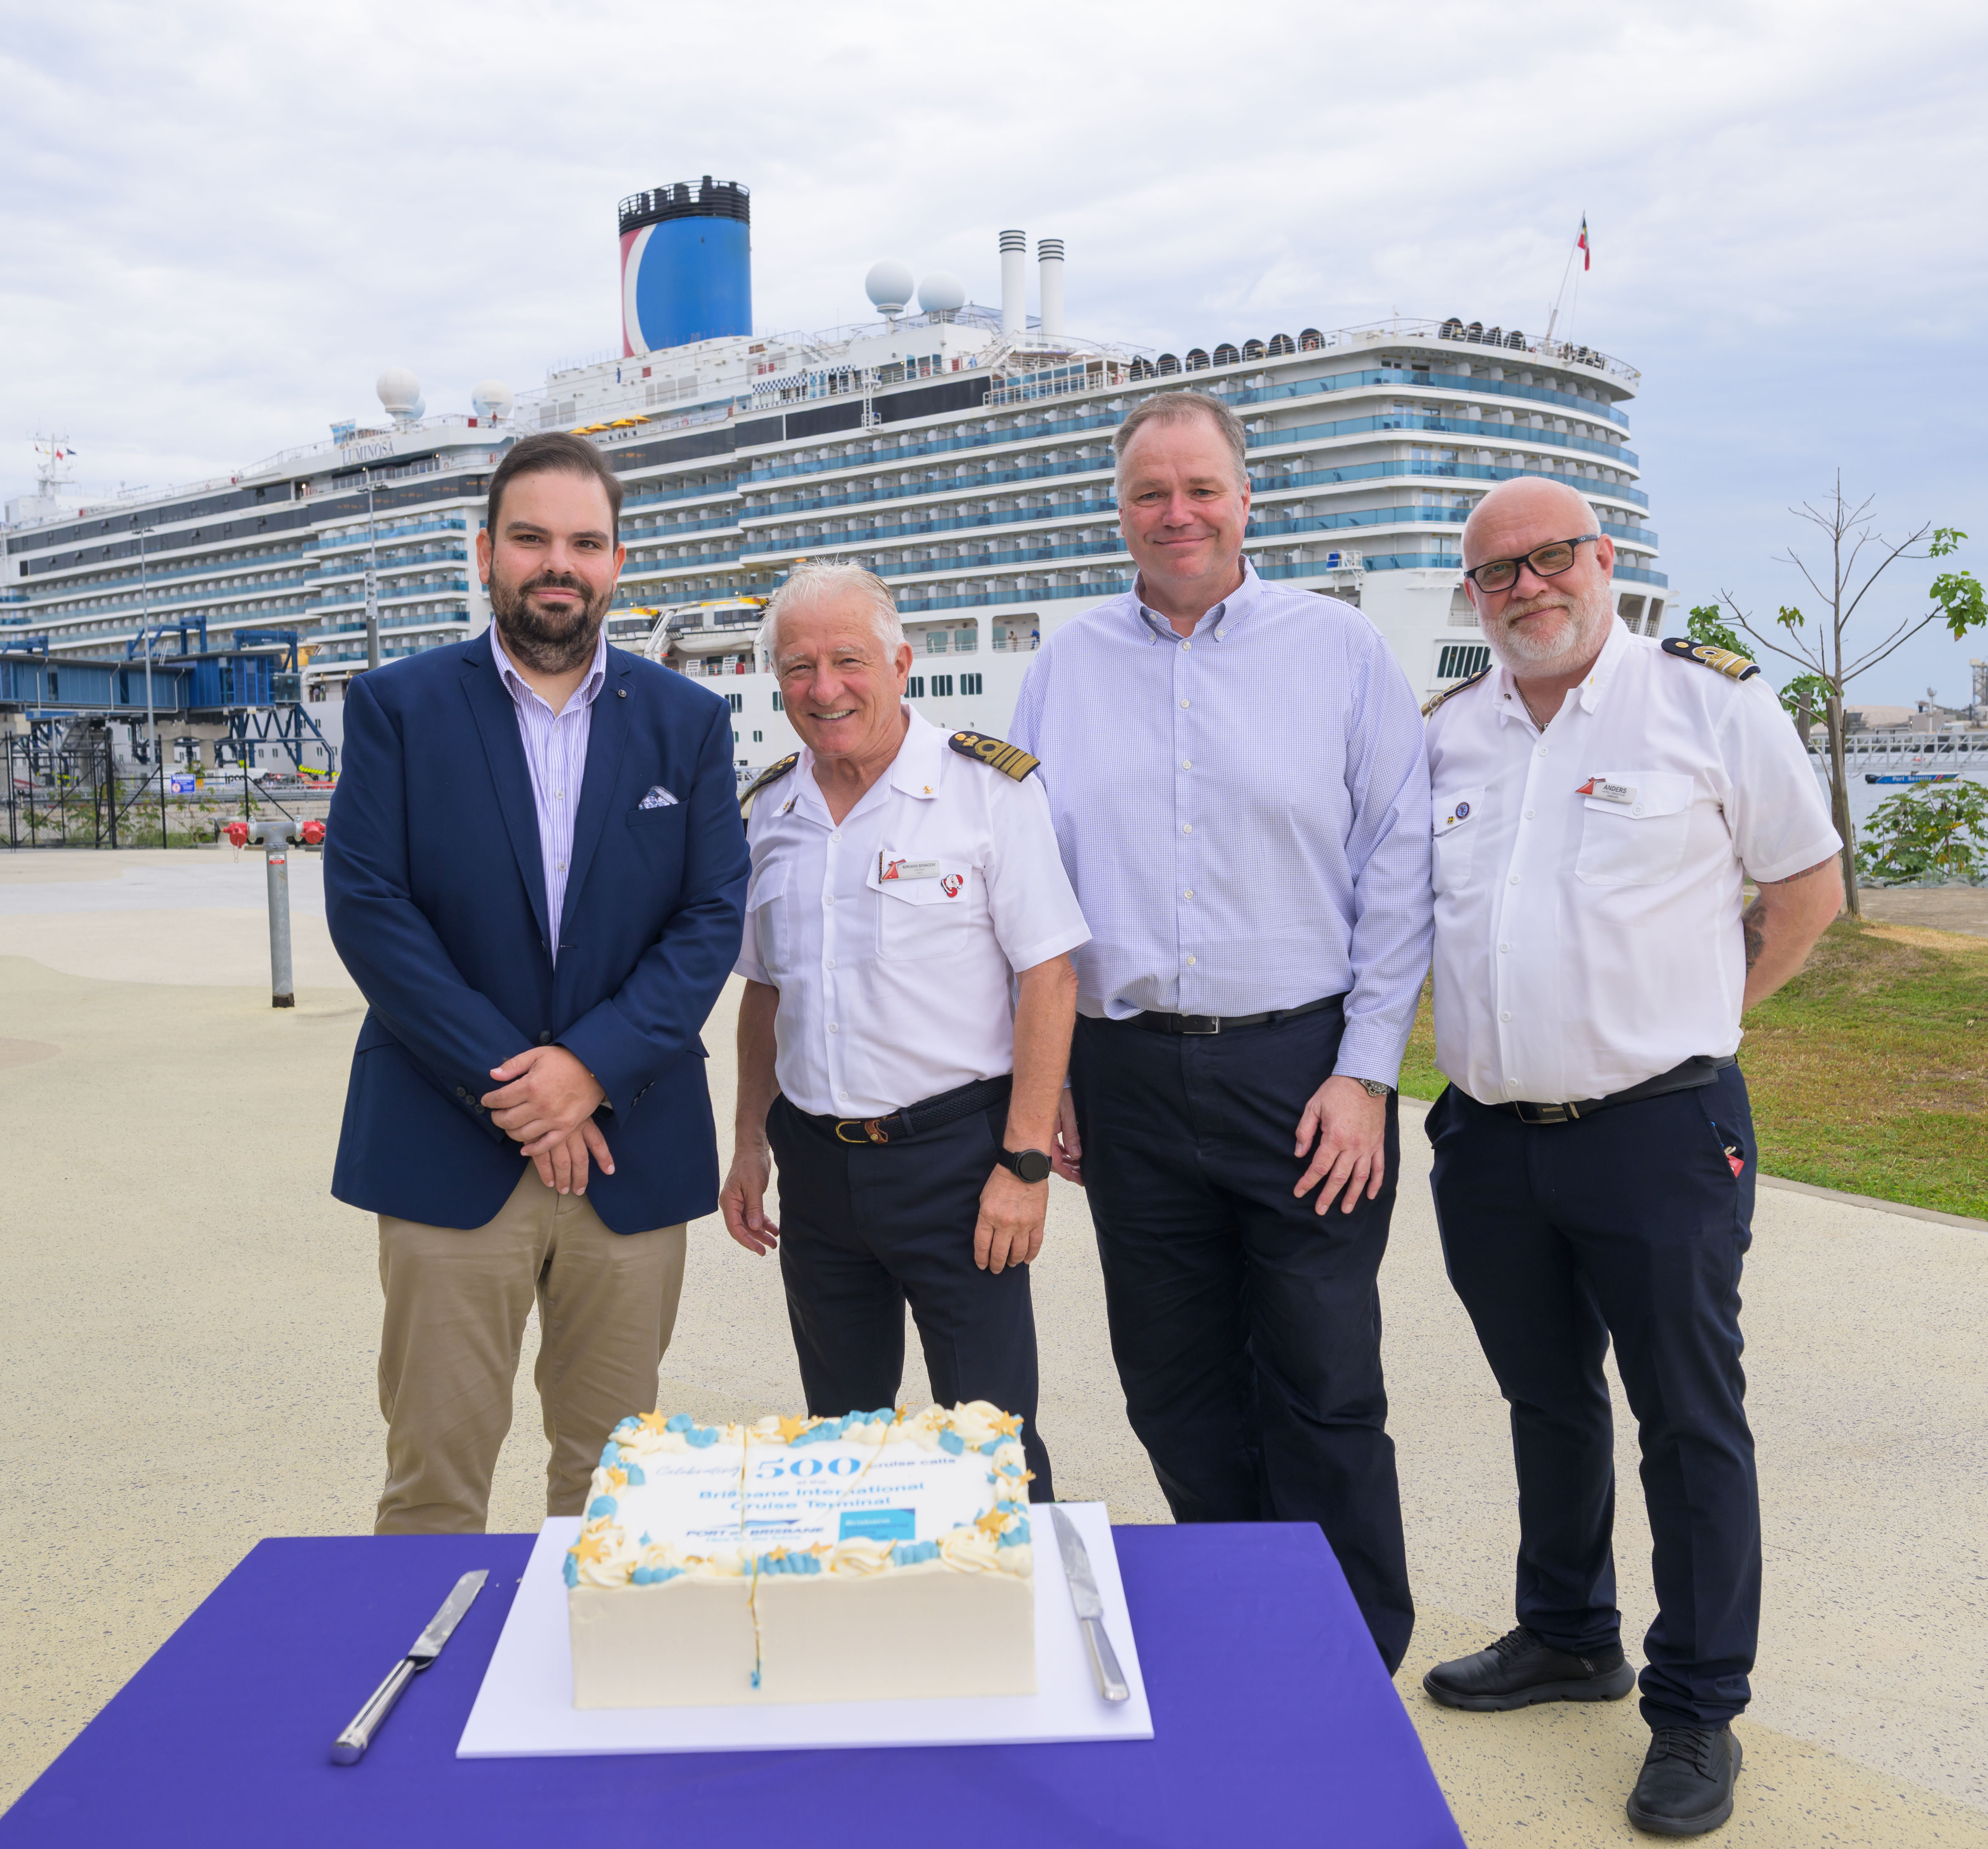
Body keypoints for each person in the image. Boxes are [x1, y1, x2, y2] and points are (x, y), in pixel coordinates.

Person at [1414, 475, 1842, 1837]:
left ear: (1601, 560)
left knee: (1686, 1420)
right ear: (1471, 595)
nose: (1527, 586)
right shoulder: (1447, 736)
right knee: (1542, 1401)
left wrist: (1703, 1016)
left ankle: (1696, 1707)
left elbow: (1804, 888)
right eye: (1496, 572)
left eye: (1549, 559)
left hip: (1658, 1129)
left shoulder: (1706, 704)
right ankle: (1564, 1632)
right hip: (1486, 1137)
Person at [1006, 389, 1430, 1669]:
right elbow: (1029, 879)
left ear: (1248, 498)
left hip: (1300, 1068)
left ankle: (1352, 1649)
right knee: (1175, 1380)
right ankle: (1250, 1626)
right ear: (1119, 510)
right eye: (1149, 492)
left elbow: (1398, 865)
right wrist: (1060, 1070)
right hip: (1126, 1071)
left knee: (1322, 1374)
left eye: (1199, 488)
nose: (1175, 513)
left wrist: (1366, 1072)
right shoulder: (1063, 666)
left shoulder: (1341, 652)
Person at [325, 431, 748, 1534]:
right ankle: (426, 1694)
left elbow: (709, 920)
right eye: (530, 539)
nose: (557, 563)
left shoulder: (686, 722)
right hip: (446, 1141)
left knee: (611, 1485)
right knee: (433, 1480)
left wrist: (590, 1070)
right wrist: (526, 1086)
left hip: (630, 1142)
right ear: (484, 554)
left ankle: (589, 1696)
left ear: (617, 562)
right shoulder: (397, 709)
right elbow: (371, 911)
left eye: (583, 542)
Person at [719, 564, 1087, 1499]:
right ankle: (865, 1628)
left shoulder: (986, 790)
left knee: (990, 1440)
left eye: (847, 659)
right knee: (840, 1448)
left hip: (957, 1162)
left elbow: (1049, 976)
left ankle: (1017, 1632)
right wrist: (748, 1143)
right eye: (797, 666)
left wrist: (1025, 1163)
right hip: (816, 1166)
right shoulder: (771, 810)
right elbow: (764, 992)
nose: (823, 687)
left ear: (901, 663)